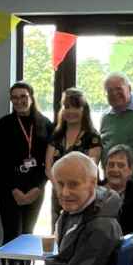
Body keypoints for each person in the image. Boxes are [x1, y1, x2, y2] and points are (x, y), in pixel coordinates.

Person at [0, 81, 53, 245]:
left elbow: (49, 161)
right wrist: (14, 189)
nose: (19, 101)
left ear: (31, 98)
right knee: (11, 237)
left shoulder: (46, 124)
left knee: (28, 236)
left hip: (35, 188)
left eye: (23, 97)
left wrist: (38, 187)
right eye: (14, 98)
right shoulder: (4, 124)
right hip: (9, 189)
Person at [45, 88, 101, 219]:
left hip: (82, 195)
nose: (70, 111)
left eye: (76, 107)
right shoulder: (56, 135)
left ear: (84, 110)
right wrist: (59, 189)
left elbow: (91, 170)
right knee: (58, 231)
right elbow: (48, 167)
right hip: (58, 194)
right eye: (67, 107)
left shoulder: (92, 137)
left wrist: (69, 189)